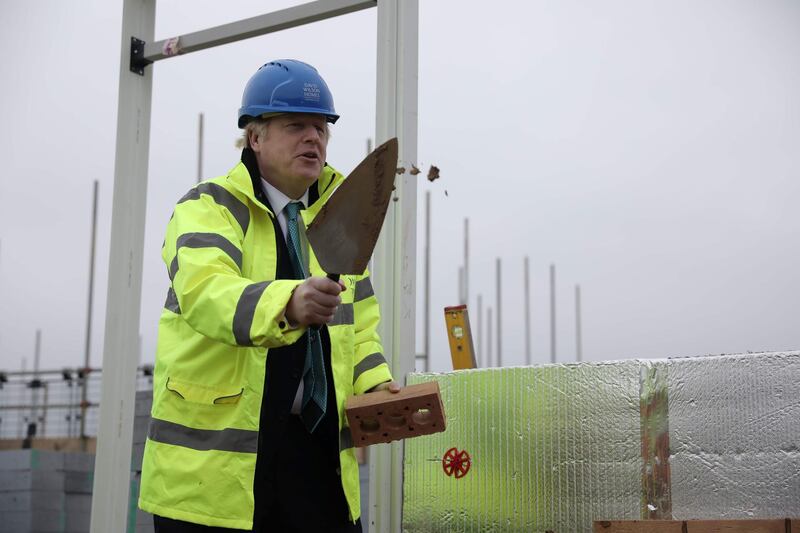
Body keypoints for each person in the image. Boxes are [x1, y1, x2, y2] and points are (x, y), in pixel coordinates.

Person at [138, 59, 399, 532]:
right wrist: (289, 303)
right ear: (254, 138)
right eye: (296, 126)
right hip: (213, 478)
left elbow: (358, 328)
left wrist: (376, 386)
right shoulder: (207, 208)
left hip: (319, 466)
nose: (313, 139)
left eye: (321, 129)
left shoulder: (340, 218)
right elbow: (207, 292)